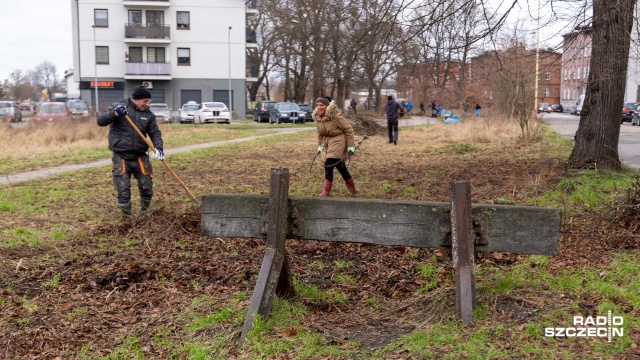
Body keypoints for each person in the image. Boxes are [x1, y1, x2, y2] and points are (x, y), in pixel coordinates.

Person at [97, 85, 165, 216]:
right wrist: (115, 113)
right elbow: (100, 120)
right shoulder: (119, 107)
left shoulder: (148, 115)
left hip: (140, 155)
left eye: (148, 101)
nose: (147, 104)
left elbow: (155, 133)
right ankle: (127, 219)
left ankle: (143, 214)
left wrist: (159, 147)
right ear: (136, 99)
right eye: (145, 101)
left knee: (146, 187)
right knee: (123, 190)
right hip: (121, 155)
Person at [314, 96, 356, 197]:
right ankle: (353, 190)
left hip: (339, 141)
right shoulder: (318, 117)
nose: (319, 107)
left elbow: (349, 129)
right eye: (318, 105)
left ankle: (325, 192)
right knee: (341, 167)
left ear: (327, 106)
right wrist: (319, 146)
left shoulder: (336, 116)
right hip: (328, 142)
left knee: (328, 164)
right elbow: (320, 133)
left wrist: (351, 146)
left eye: (322, 105)